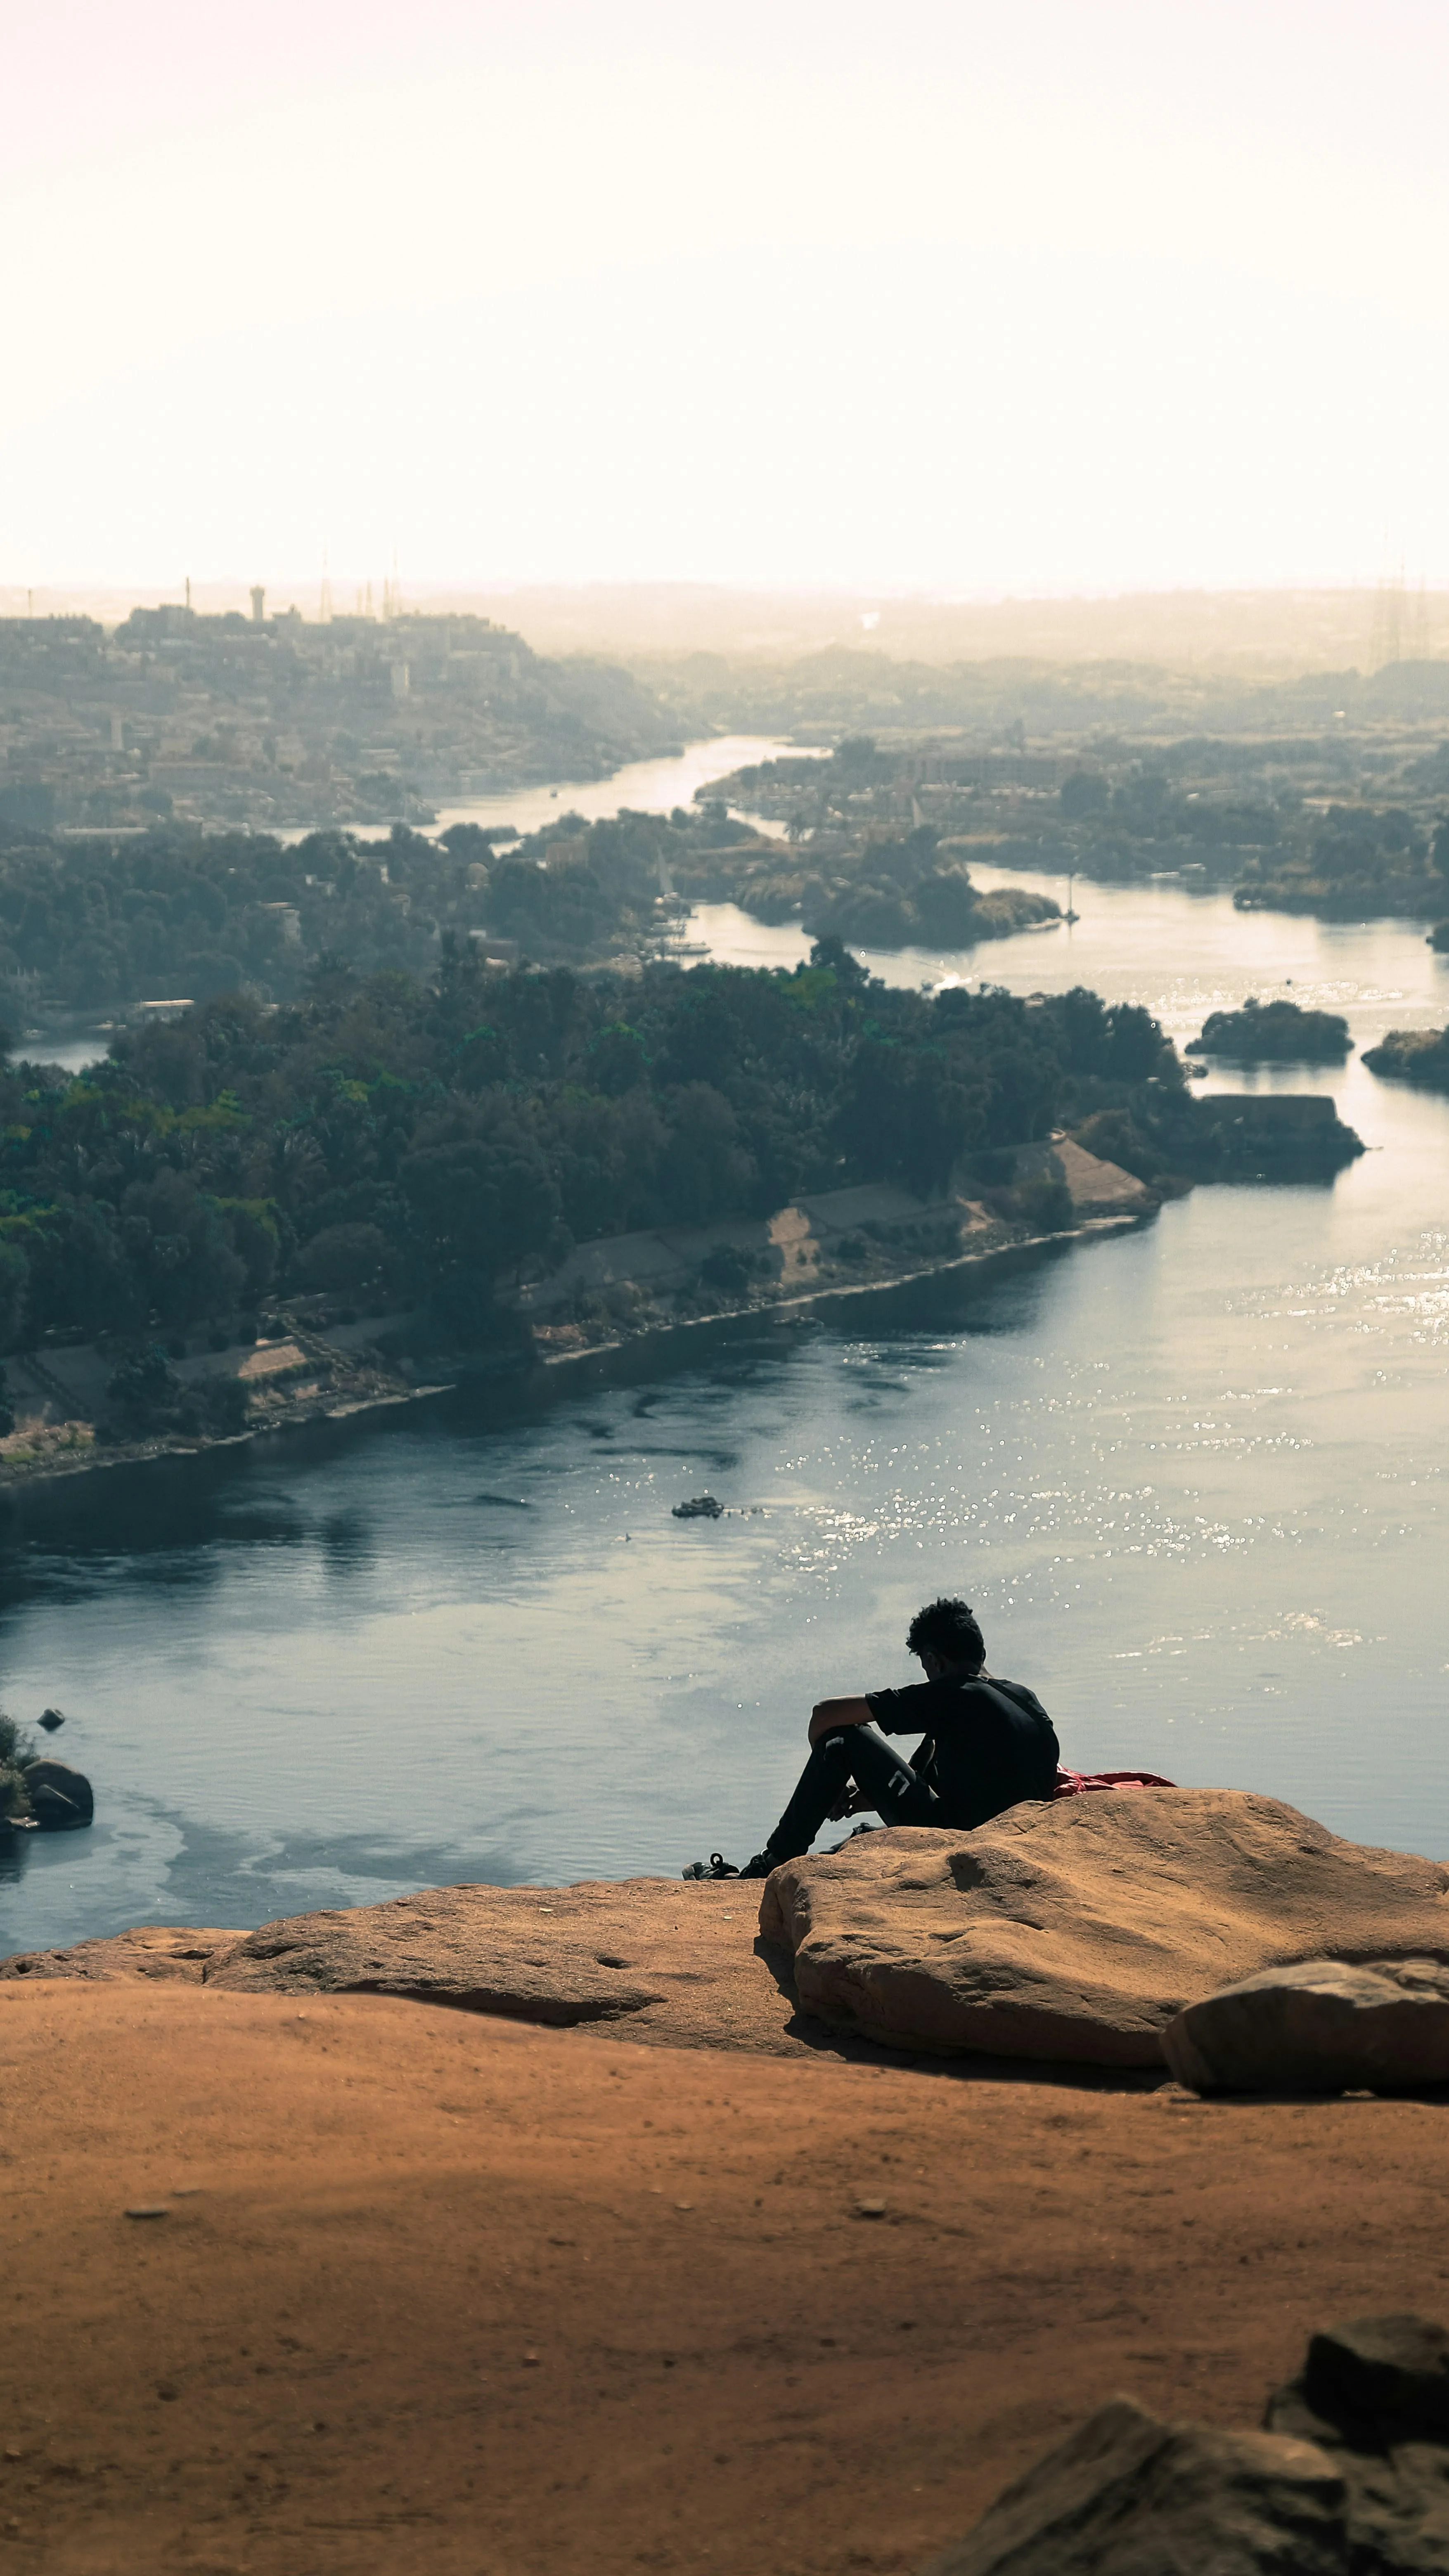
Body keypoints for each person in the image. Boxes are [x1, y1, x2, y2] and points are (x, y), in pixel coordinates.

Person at [684, 1596, 1058, 1881]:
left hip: (964, 1838)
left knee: (844, 1740)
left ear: (936, 1661)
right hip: (1014, 1835)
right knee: (863, 1837)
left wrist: (830, 1778)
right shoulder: (1020, 1697)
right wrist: (866, 1795)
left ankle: (767, 1868)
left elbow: (825, 1715)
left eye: (926, 1665)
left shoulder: (954, 1693)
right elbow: (980, 1779)